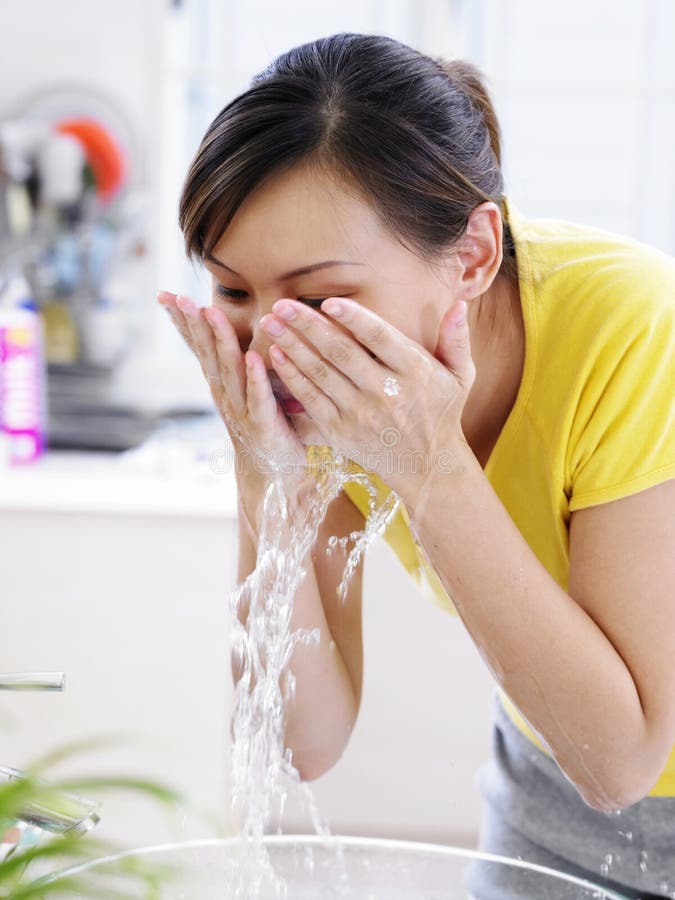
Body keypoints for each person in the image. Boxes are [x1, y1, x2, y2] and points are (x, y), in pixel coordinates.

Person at [158, 32, 675, 899]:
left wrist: (428, 463)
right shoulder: (328, 391)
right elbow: (304, 743)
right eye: (233, 292)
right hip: (545, 798)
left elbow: (622, 759)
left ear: (472, 255)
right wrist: (265, 475)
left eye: (319, 297)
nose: (274, 344)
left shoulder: (631, 329)